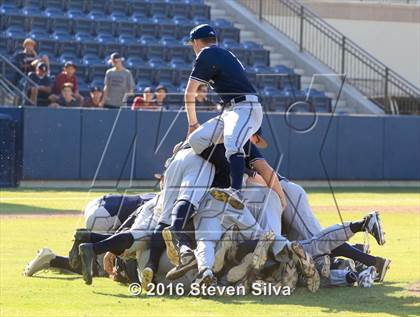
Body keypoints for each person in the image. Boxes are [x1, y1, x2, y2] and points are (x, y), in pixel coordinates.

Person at [184, 24, 263, 210]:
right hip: (234, 109)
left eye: (192, 44)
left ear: (196, 42)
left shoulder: (206, 53)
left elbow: (189, 93)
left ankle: (236, 192)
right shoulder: (226, 53)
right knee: (198, 139)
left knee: (232, 144)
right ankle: (229, 175)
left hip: (245, 107)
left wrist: (193, 123)